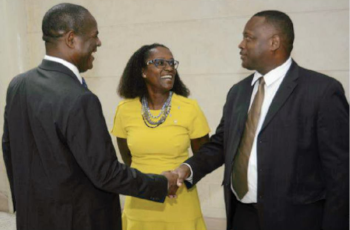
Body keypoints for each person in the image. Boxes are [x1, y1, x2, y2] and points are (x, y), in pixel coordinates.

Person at [2, 4, 178, 230]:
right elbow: (105, 173)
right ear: (71, 39)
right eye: (94, 35)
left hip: (31, 219)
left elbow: (8, 147)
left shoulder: (18, 84)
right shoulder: (80, 98)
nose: (99, 42)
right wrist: (161, 184)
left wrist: (24, 203)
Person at [174, 10, 349, 230]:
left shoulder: (322, 91)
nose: (241, 44)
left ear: (274, 42)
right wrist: (186, 169)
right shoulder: (237, 92)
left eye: (249, 37)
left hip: (296, 219)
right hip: (242, 214)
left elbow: (341, 174)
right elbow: (221, 144)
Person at [111, 43, 210, 230]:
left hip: (180, 202)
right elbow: (128, 159)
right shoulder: (125, 110)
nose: (169, 68)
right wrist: (151, 184)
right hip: (140, 202)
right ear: (143, 72)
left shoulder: (190, 108)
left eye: (172, 63)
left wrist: (177, 179)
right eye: (159, 63)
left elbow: (203, 158)